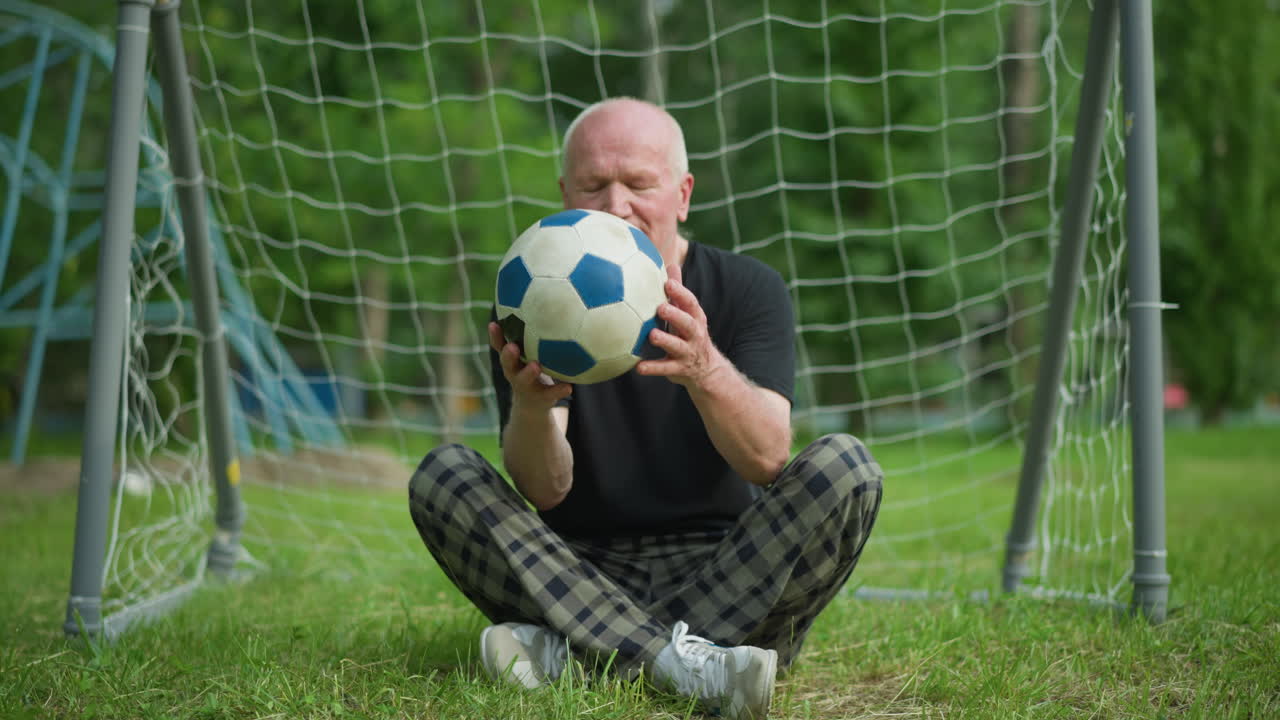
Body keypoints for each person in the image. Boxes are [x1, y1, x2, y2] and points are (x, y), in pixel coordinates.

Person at [408, 97, 883, 719]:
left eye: (638, 183)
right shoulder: (528, 301)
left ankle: (578, 655)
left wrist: (706, 368)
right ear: (564, 194)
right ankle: (690, 665)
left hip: (729, 567)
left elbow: (769, 458)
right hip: (578, 572)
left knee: (846, 467)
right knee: (444, 476)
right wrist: (531, 404)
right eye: (593, 185)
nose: (616, 205)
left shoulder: (749, 288)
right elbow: (545, 490)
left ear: (682, 195)